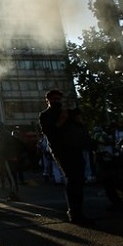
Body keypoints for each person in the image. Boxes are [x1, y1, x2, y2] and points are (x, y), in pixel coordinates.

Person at [38, 89, 92, 225]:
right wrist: (61, 120)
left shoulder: (69, 112)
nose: (56, 101)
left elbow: (82, 127)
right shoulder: (45, 115)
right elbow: (49, 133)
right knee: (72, 179)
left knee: (79, 179)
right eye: (53, 99)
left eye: (58, 99)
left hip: (76, 148)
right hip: (61, 151)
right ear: (48, 101)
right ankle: (74, 213)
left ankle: (78, 211)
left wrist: (77, 120)